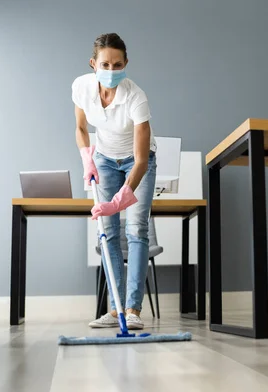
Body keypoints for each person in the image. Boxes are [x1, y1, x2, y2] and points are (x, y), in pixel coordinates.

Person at [72, 33, 157, 329]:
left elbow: (142, 159)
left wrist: (122, 198)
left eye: (117, 64)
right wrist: (87, 157)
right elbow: (81, 127)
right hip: (105, 159)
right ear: (93, 63)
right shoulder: (82, 87)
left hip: (137, 162)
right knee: (106, 233)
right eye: (105, 64)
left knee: (136, 230)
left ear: (126, 64)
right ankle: (114, 309)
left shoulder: (136, 97)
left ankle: (132, 310)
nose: (110, 70)